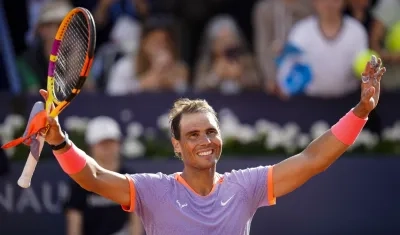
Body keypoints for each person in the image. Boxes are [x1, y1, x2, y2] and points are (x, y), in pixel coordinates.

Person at [39, 56, 386, 234]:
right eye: (192, 135)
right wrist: (59, 141)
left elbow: (313, 159)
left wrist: (360, 111)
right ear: (176, 146)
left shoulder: (245, 186)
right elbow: (94, 177)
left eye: (210, 131)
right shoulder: (153, 191)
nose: (205, 140)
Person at [63, 116, 143, 235]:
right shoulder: (80, 181)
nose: (108, 148)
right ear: (91, 147)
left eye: (111, 142)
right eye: (102, 144)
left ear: (119, 144)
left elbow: (136, 220)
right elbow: (74, 219)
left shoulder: (131, 179)